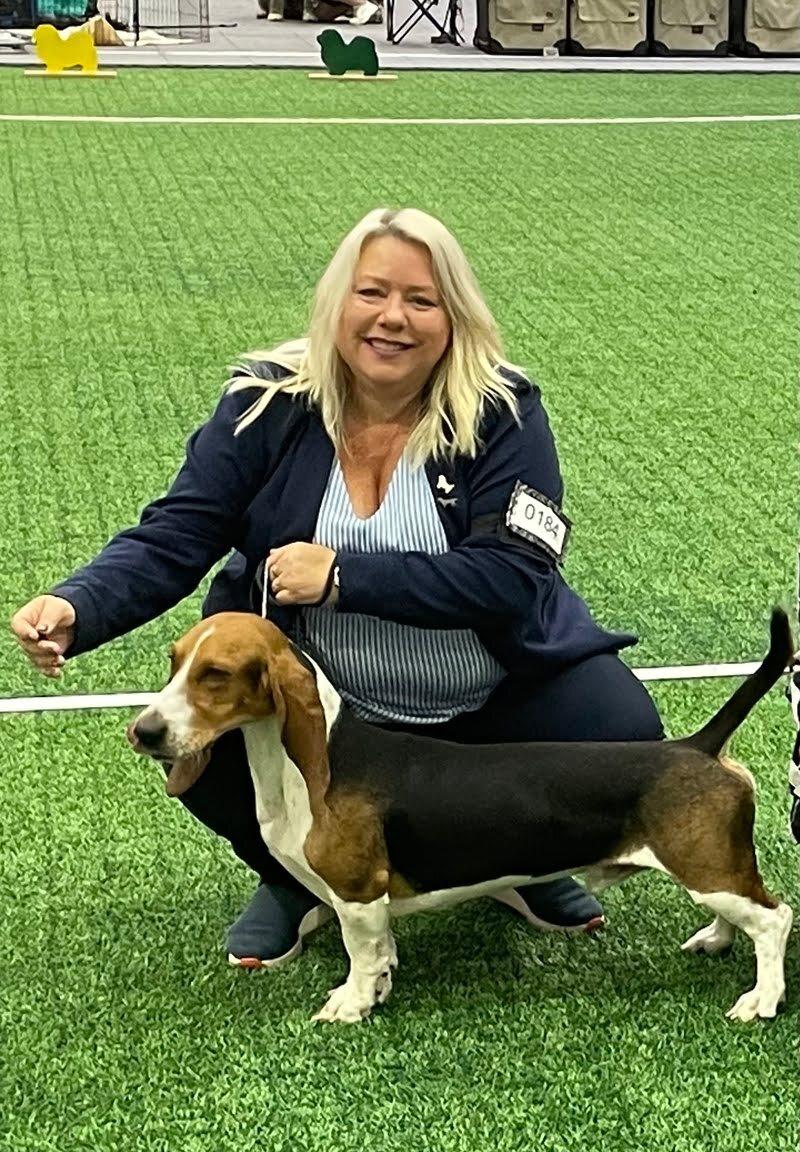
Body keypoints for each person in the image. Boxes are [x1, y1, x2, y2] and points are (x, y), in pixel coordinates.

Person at [11, 207, 664, 968]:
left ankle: (521, 863)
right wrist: (78, 605)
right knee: (195, 729)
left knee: (616, 724)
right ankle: (293, 879)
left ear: (454, 316)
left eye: (421, 300)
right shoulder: (266, 401)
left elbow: (514, 577)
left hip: (495, 693)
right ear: (335, 302)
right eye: (371, 293)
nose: (393, 318)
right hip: (329, 704)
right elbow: (178, 532)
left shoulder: (503, 411)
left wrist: (346, 577)